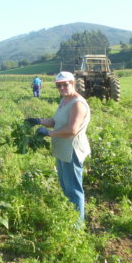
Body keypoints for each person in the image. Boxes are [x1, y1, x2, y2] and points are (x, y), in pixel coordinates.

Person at [25, 71, 91, 222]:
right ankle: (70, 216)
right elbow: (55, 121)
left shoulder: (78, 104)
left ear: (73, 83)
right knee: (65, 186)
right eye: (58, 85)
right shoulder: (65, 100)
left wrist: (48, 133)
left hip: (72, 150)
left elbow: (72, 130)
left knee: (74, 189)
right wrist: (38, 121)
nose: (62, 87)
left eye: (65, 84)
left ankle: (77, 227)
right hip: (62, 149)